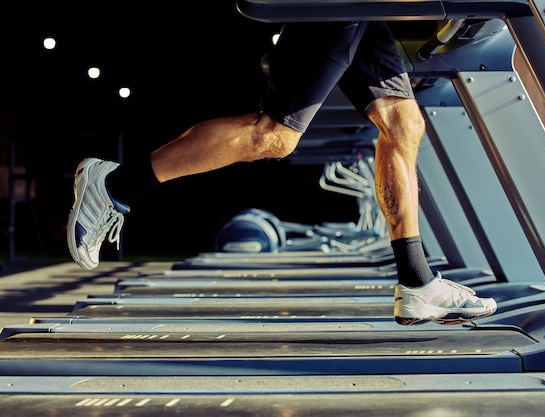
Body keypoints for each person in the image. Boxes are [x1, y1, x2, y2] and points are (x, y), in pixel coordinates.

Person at [66, 21, 497, 325]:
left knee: (403, 124)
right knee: (272, 135)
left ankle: (417, 279)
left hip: (364, 6)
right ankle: (113, 184)